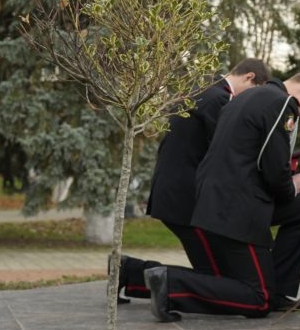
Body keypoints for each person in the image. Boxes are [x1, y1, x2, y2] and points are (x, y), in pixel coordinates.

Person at [143, 66, 300, 321]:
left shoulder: (246, 97)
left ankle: (279, 289)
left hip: (219, 200)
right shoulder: (281, 103)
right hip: (238, 208)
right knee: (259, 299)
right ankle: (171, 284)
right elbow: (274, 169)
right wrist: (293, 186)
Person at [116, 59, 270, 301]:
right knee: (214, 275)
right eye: (255, 92)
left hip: (176, 193)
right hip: (186, 199)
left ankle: (129, 272)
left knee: (212, 273)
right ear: (249, 77)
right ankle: (137, 276)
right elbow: (225, 151)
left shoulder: (204, 90)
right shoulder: (218, 99)